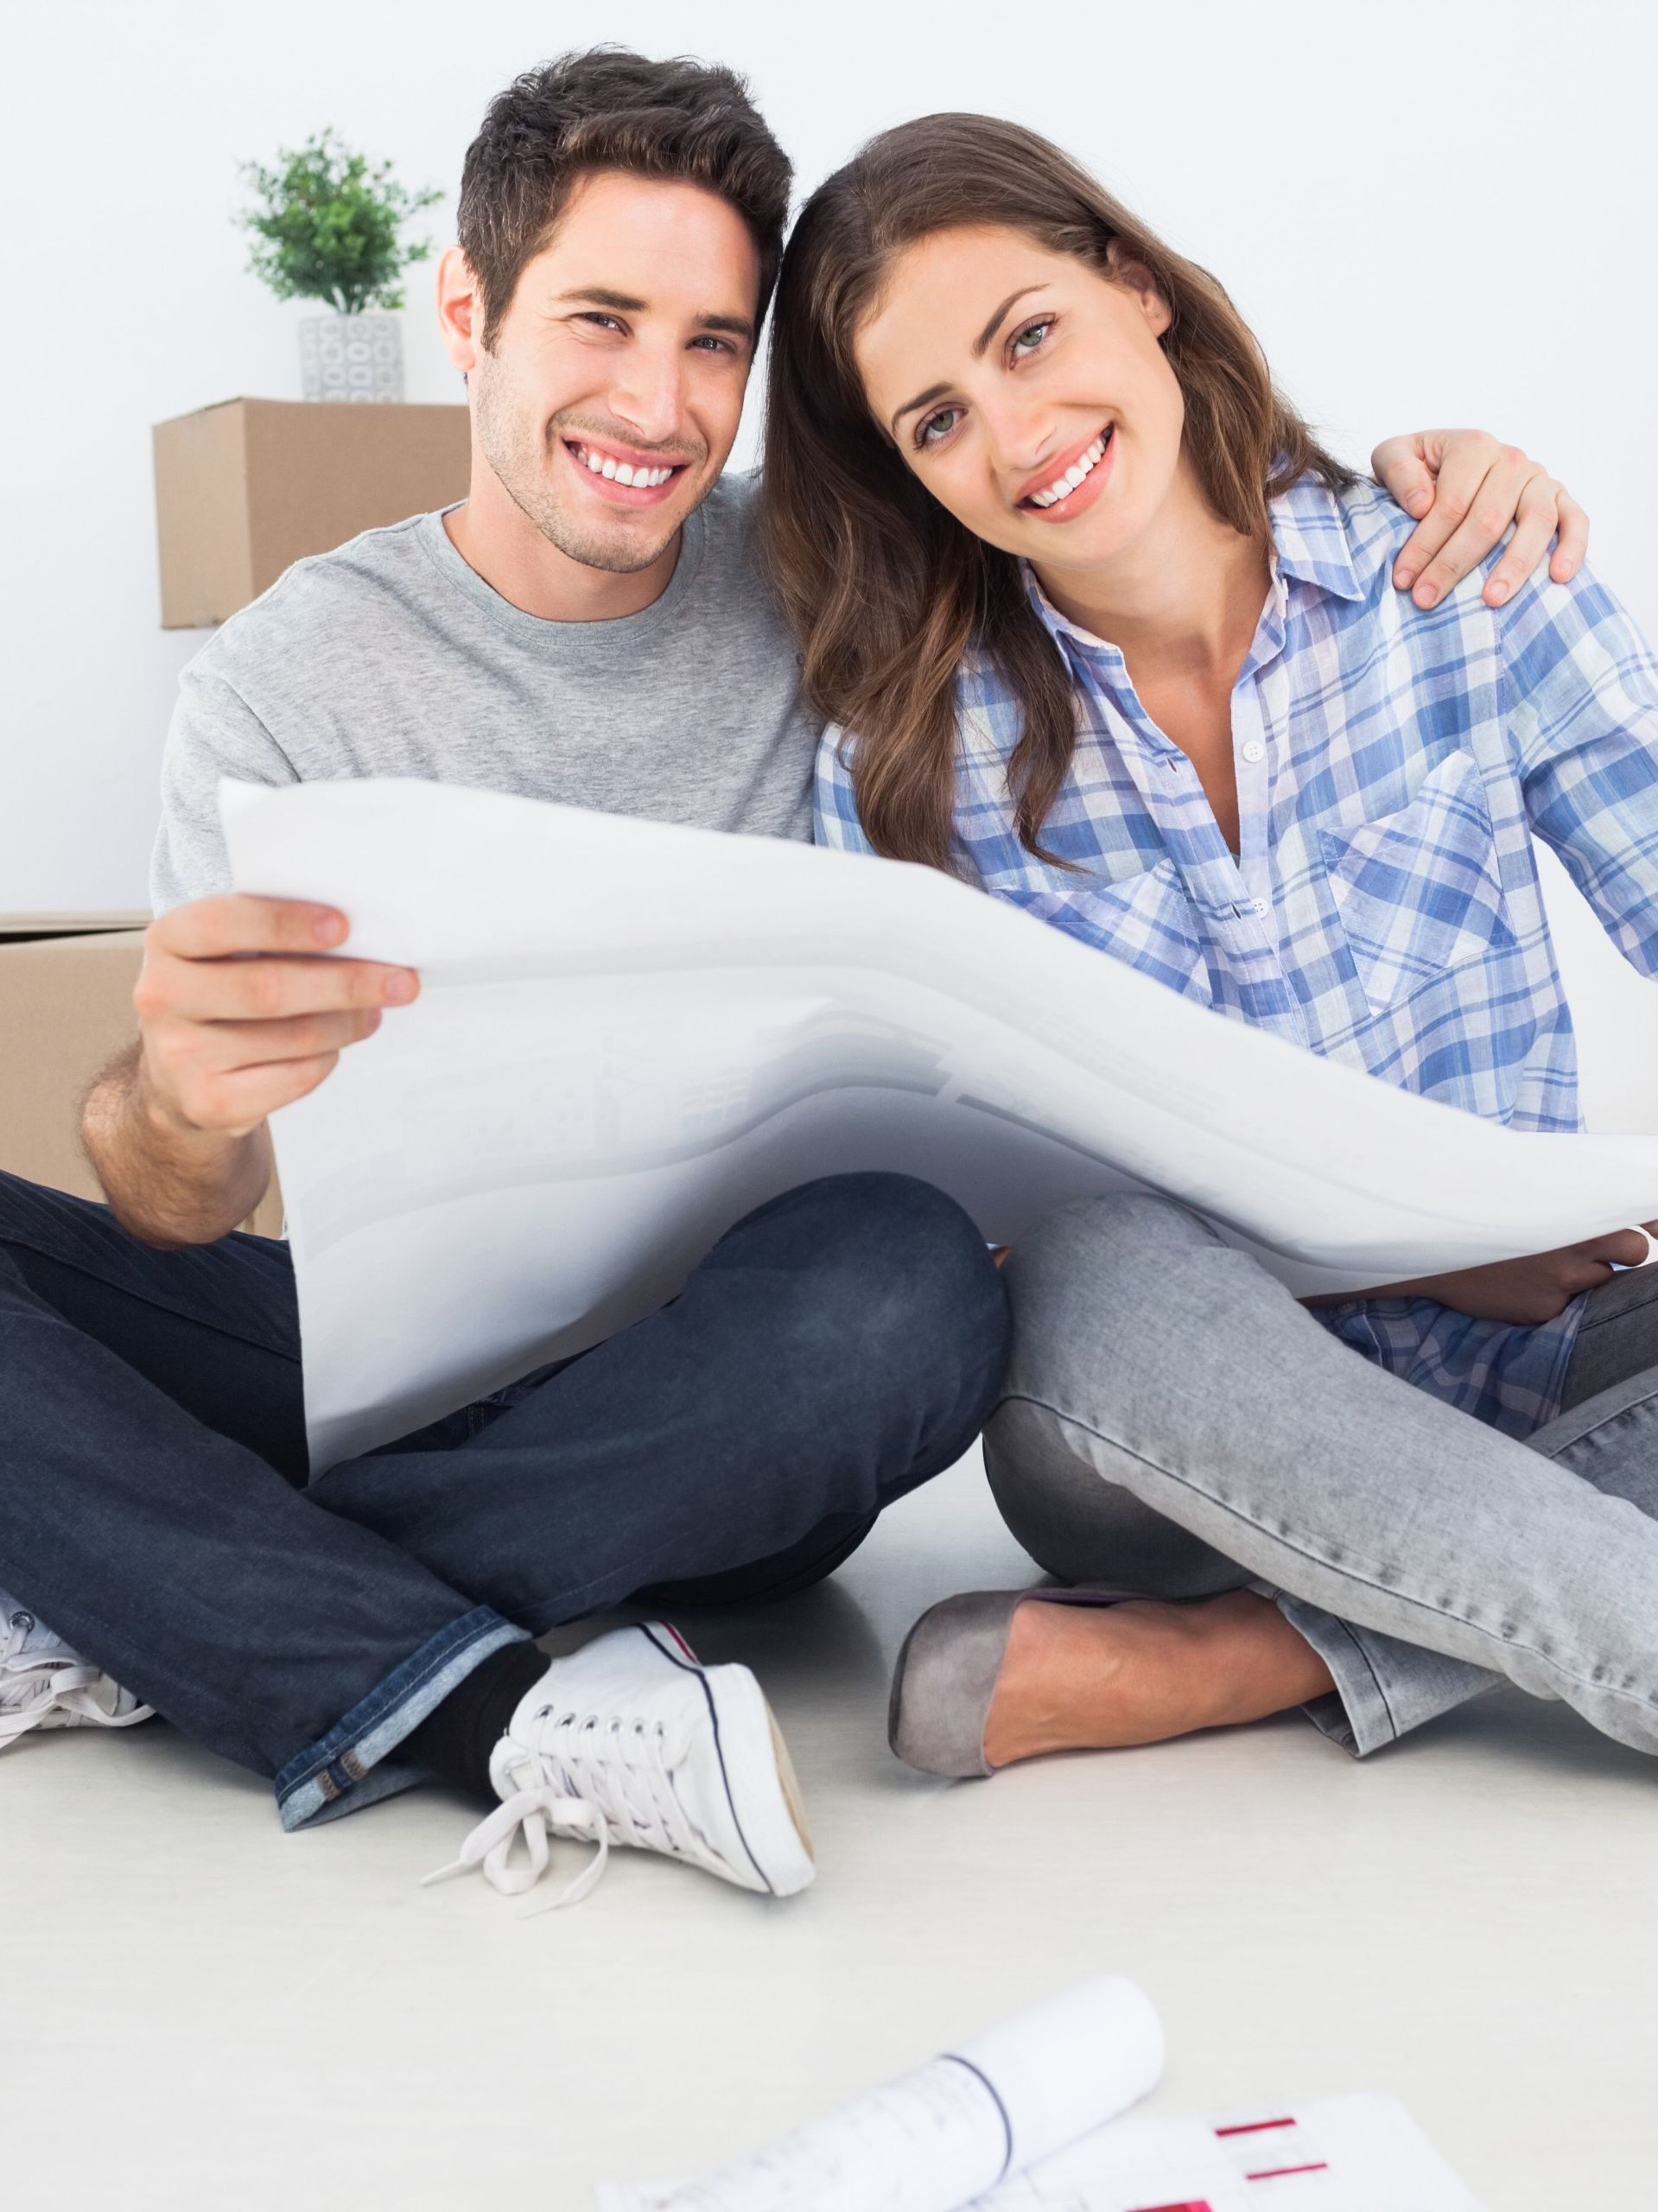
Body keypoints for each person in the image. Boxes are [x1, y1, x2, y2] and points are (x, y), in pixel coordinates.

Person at [0, 52, 1583, 1893]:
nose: (656, 404)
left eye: (712, 345)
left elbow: (1100, 492)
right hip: (373, 1356)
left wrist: (1435, 469)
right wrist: (174, 1103)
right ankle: (376, 1655)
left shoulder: (845, 570)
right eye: (600, 320)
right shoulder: (284, 683)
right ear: (468, 311)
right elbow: (179, 1207)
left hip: (740, 1378)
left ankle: (150, 1581)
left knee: (907, 1283)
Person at [763, 111, 1658, 1786]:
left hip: (1551, 1367)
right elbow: (972, 1242)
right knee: (1095, 1265)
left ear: (1138, 286)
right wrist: (1405, 1260)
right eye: (938, 419)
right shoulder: (902, 767)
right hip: (1166, 1449)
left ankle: (1255, 1656)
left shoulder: (1461, 580)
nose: (1017, 436)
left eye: (1030, 336)